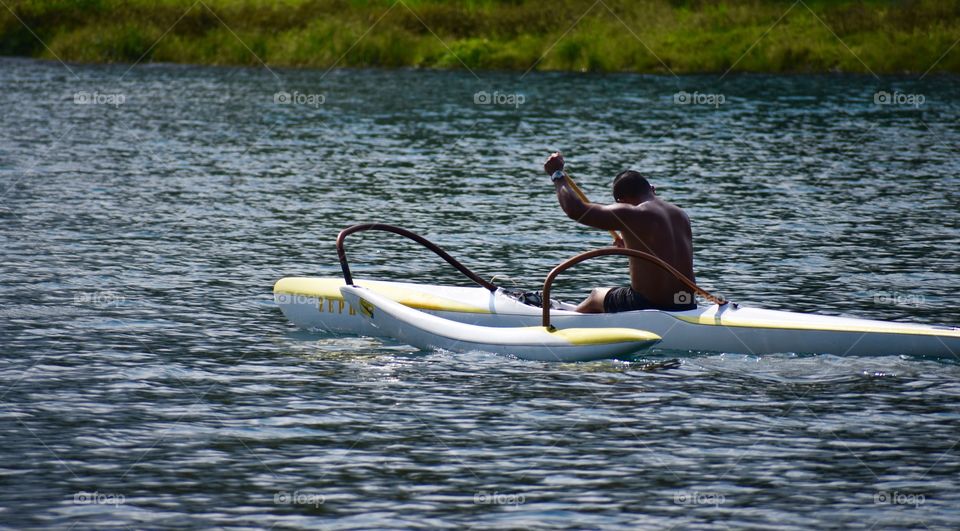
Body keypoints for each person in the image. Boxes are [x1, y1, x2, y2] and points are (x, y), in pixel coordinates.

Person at [544, 151, 697, 313]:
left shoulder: (633, 212)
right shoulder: (681, 214)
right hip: (686, 301)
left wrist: (557, 174)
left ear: (621, 201)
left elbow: (576, 210)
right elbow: (667, 254)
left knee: (596, 295)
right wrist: (632, 247)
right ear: (652, 189)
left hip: (649, 303)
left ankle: (566, 324)